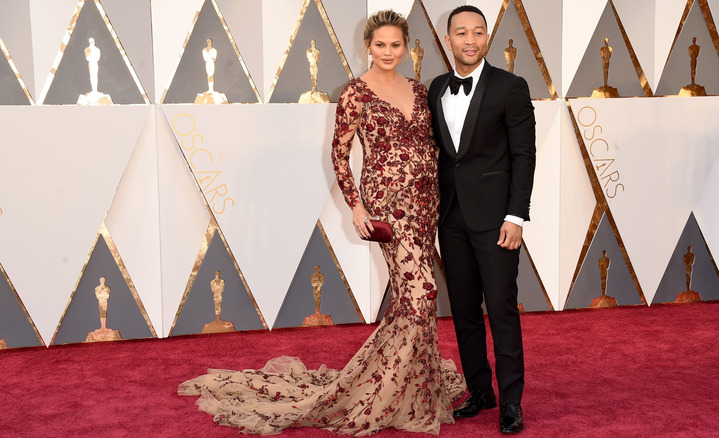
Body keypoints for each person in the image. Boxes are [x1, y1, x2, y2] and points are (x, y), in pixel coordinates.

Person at [179, 10, 465, 435]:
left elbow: (432, 145)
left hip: (425, 204)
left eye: (396, 45)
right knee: (422, 293)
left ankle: (411, 390)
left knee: (413, 300)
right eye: (380, 44)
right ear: (368, 46)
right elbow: (340, 153)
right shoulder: (355, 93)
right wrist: (357, 207)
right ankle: (383, 393)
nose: (388, 52)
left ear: (406, 47)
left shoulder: (420, 90)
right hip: (387, 206)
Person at [428, 5, 536, 434]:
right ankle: (480, 390)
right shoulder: (436, 87)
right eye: (461, 33)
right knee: (465, 312)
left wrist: (516, 215)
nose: (470, 40)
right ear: (448, 39)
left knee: (502, 309)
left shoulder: (511, 86)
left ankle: (511, 401)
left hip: (496, 220)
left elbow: (523, 156)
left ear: (486, 38)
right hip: (450, 216)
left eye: (478, 32)